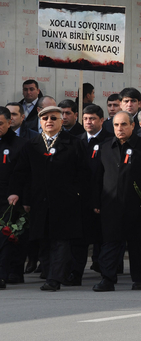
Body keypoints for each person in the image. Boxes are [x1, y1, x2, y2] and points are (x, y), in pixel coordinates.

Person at [10, 106, 91, 291]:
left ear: (61, 121)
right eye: (45, 118)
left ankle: (54, 279)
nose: (49, 121)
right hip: (39, 203)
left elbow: (84, 174)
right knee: (43, 241)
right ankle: (50, 274)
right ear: (40, 122)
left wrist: (78, 195)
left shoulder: (74, 143)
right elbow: (21, 173)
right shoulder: (32, 145)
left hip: (66, 203)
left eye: (54, 118)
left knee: (61, 241)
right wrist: (19, 195)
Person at [92, 111, 141, 292]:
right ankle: (107, 279)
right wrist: (97, 203)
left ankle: (140, 278)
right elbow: (98, 178)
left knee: (138, 244)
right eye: (116, 125)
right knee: (110, 243)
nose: (119, 129)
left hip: (137, 207)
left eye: (123, 125)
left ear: (133, 126)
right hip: (110, 206)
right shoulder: (105, 147)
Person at [76, 103, 113, 281]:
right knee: (80, 239)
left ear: (101, 120)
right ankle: (75, 273)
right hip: (82, 198)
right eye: (85, 119)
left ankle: (105, 271)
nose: (88, 122)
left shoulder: (109, 141)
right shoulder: (77, 140)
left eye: (92, 119)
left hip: (103, 197)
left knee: (103, 237)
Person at [0, 107, 29, 289]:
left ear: (9, 123)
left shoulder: (21, 145)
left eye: (1, 124)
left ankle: (6, 273)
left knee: (6, 238)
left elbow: (25, 174)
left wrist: (21, 195)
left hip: (10, 199)